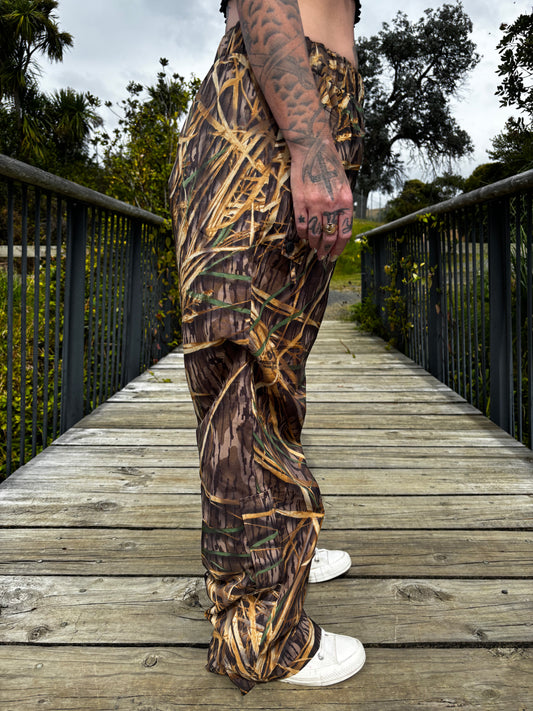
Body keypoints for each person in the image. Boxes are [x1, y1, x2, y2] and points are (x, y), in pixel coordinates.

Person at [169, 0, 365, 695]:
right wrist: (311, 141)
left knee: (273, 369)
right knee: (244, 376)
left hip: (283, 110)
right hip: (270, 120)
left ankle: (278, 550)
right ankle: (262, 633)